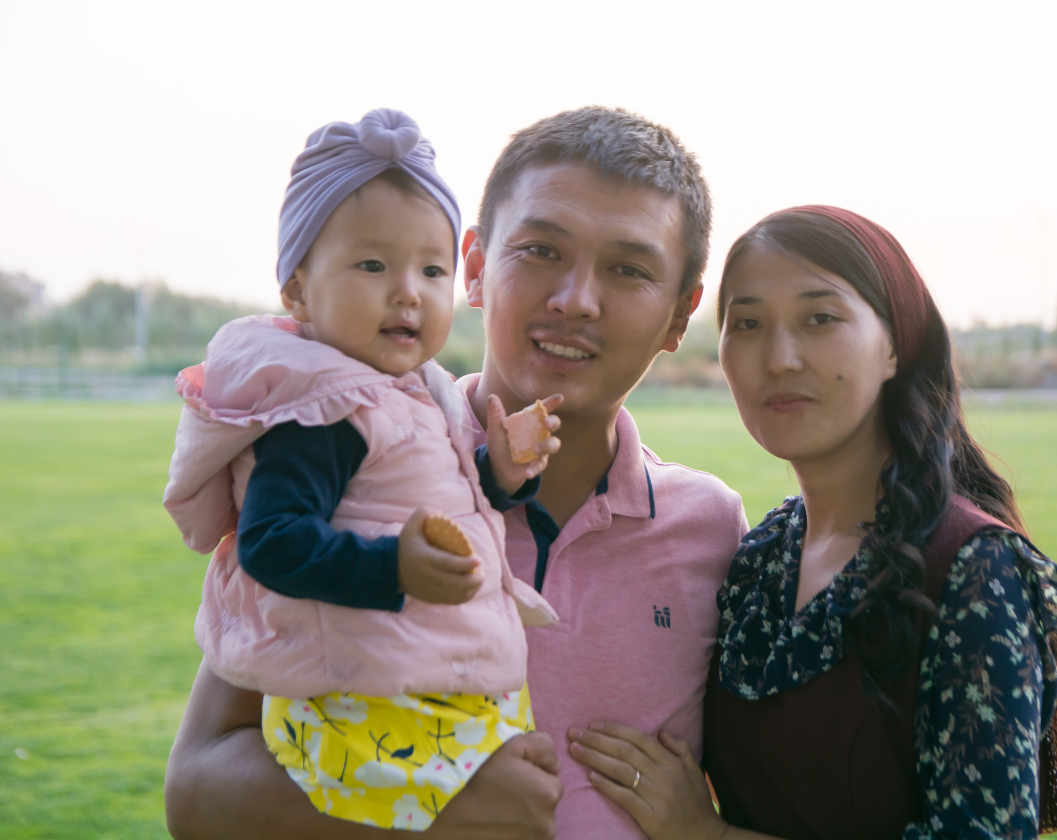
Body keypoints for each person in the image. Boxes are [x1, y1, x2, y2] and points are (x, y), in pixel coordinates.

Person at [163, 107, 749, 840]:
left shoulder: (713, 530)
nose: (576, 298)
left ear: (678, 316)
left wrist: (708, 830)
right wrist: (430, 826)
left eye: (629, 269)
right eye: (540, 250)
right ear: (474, 267)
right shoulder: (363, 459)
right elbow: (197, 788)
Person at [566, 206, 1057, 840]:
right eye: (749, 323)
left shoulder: (970, 567)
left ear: (896, 344)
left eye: (820, 318)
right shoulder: (759, 558)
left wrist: (704, 835)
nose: (780, 357)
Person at [162, 108, 564, 830]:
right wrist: (392, 568)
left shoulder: (406, 391)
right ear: (297, 291)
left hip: (415, 680)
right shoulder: (323, 413)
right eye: (373, 265)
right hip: (364, 700)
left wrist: (499, 471)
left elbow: (418, 487)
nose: (408, 290)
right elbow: (271, 541)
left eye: (430, 268)